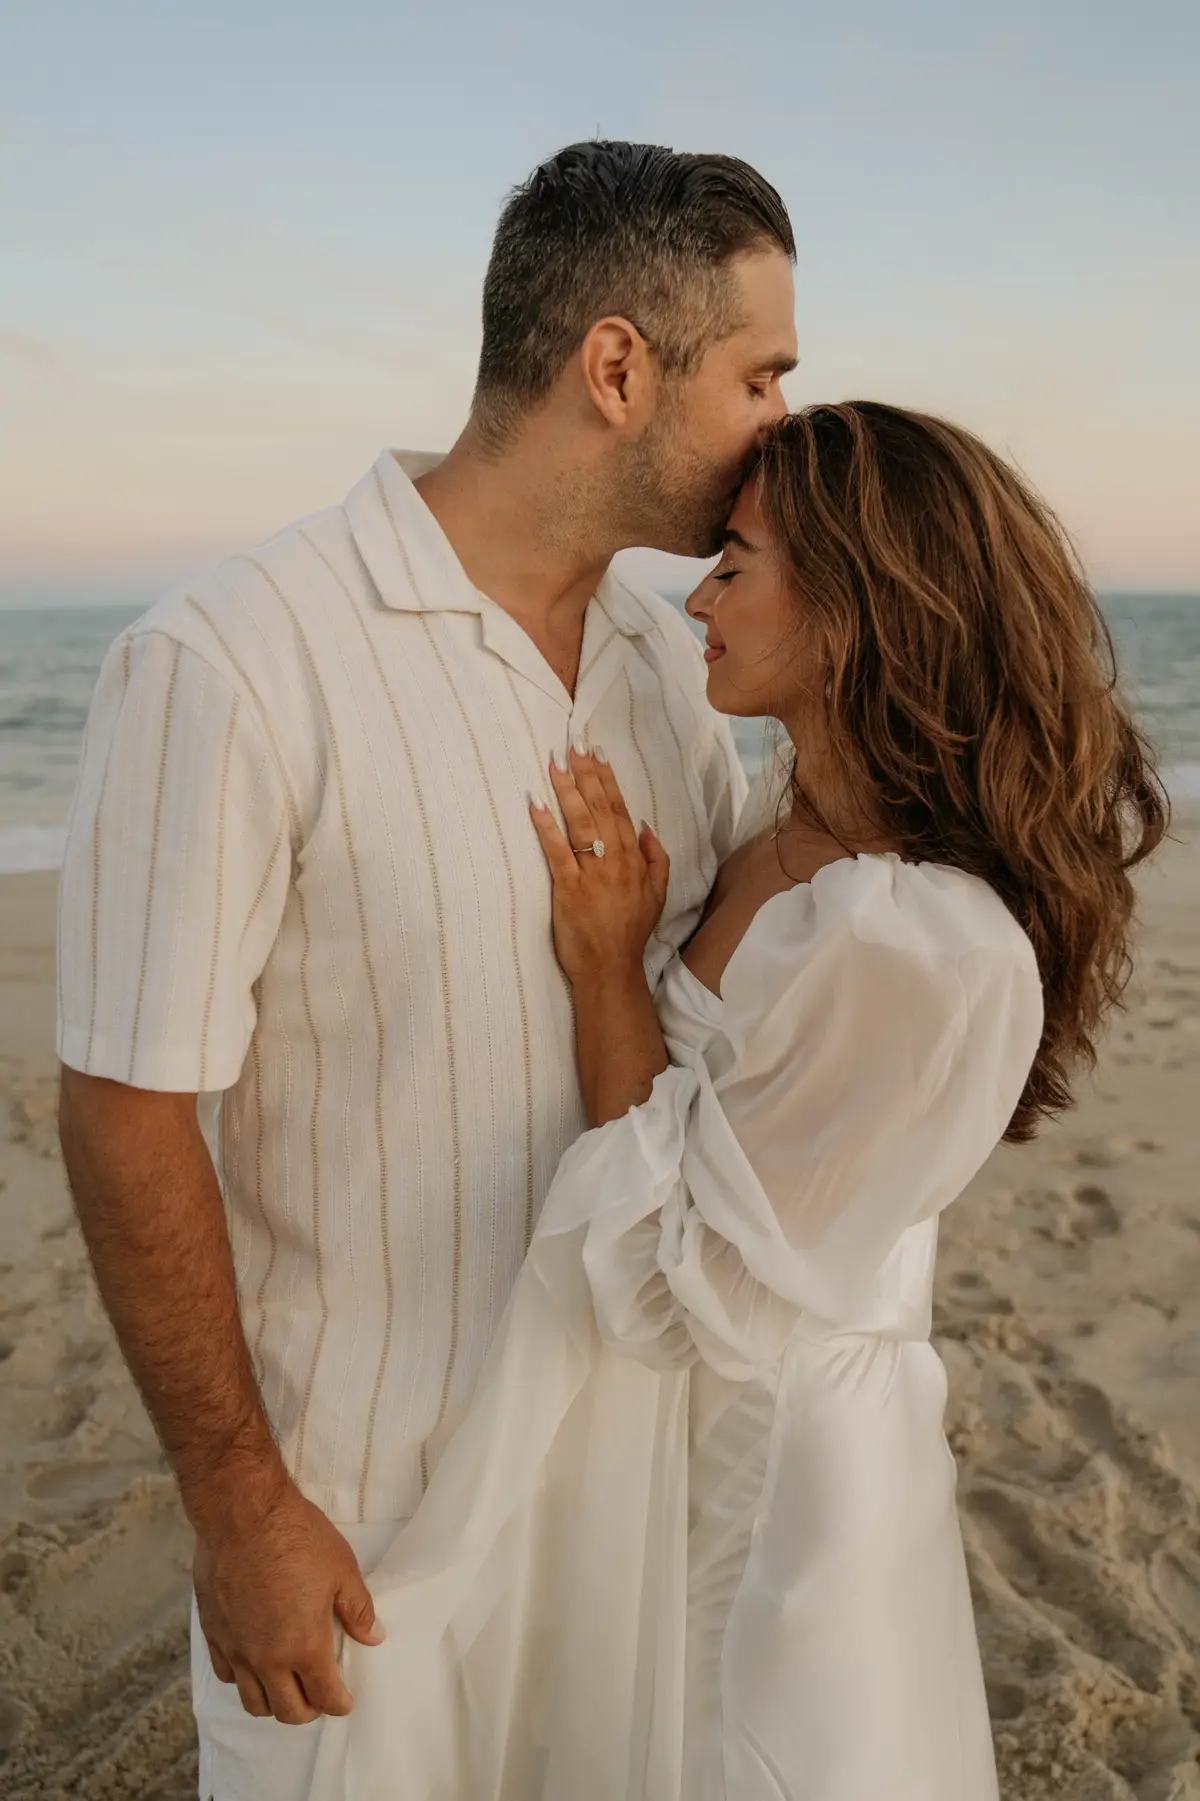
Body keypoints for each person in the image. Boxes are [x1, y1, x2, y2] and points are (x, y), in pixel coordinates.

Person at [54, 139, 799, 1800]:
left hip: (627, 1501)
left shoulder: (674, 676)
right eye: (762, 377)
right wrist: (240, 1501)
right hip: (365, 1533)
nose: (785, 427)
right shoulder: (238, 658)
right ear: (619, 367)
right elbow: (124, 1104)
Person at [312, 402, 1166, 1800]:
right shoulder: (785, 817)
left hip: (771, 1474)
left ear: (854, 613)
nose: (697, 593)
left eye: (738, 563)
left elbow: (672, 1296)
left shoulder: (914, 944)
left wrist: (605, 973)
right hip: (678, 1418)